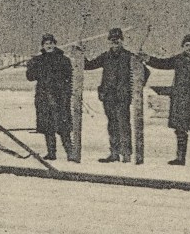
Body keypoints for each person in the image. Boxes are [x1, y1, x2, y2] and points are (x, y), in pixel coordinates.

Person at [143, 34, 190, 167]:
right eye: (187, 45)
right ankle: (180, 158)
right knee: (180, 130)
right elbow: (162, 63)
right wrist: (148, 59)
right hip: (180, 100)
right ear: (183, 47)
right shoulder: (178, 59)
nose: (189, 48)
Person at [82, 28, 136, 163]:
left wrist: (133, 88)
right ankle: (114, 153)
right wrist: (80, 53)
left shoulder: (129, 57)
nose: (115, 42)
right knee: (112, 125)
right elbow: (88, 65)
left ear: (122, 41)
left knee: (123, 124)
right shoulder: (105, 57)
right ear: (109, 42)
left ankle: (126, 154)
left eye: (117, 39)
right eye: (112, 40)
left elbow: (144, 72)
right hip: (109, 97)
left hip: (123, 97)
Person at [25, 33, 75, 161]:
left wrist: (65, 95)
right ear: (43, 45)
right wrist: (30, 66)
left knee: (63, 127)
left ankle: (71, 153)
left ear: (55, 44)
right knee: (48, 127)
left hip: (60, 98)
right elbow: (30, 77)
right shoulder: (38, 60)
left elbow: (69, 79)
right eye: (46, 44)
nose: (49, 46)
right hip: (44, 98)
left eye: (51, 43)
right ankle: (51, 153)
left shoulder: (63, 60)